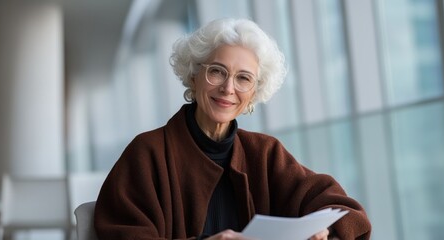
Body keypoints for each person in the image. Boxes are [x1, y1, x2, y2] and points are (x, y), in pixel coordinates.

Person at [94, 18, 371, 240]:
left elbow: (340, 207)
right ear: (194, 75)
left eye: (243, 79)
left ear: (253, 93)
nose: (228, 88)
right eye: (217, 71)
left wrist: (326, 231)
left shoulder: (264, 152)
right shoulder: (147, 153)